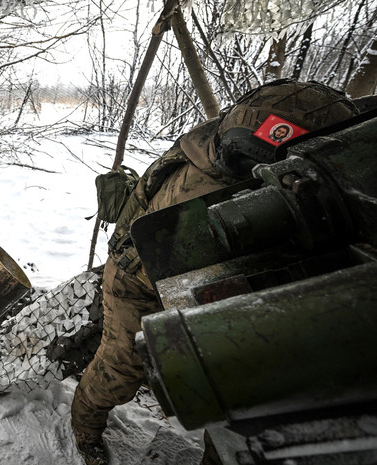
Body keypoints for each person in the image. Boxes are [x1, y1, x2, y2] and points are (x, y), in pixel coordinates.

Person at [70, 79, 360, 465]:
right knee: (120, 369)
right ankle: (85, 427)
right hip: (137, 278)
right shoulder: (203, 154)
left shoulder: (262, 167)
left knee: (233, 390)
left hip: (214, 287)